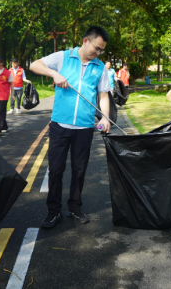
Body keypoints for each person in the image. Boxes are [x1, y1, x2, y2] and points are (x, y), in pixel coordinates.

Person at [30, 26, 111, 229]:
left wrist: (106, 117)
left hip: (84, 128)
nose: (98, 52)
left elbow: (102, 96)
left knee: (79, 170)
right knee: (56, 170)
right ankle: (53, 212)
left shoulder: (100, 67)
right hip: (60, 125)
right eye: (97, 48)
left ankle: (74, 208)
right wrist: (53, 74)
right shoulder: (63, 57)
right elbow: (34, 65)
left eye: (101, 50)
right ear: (85, 41)